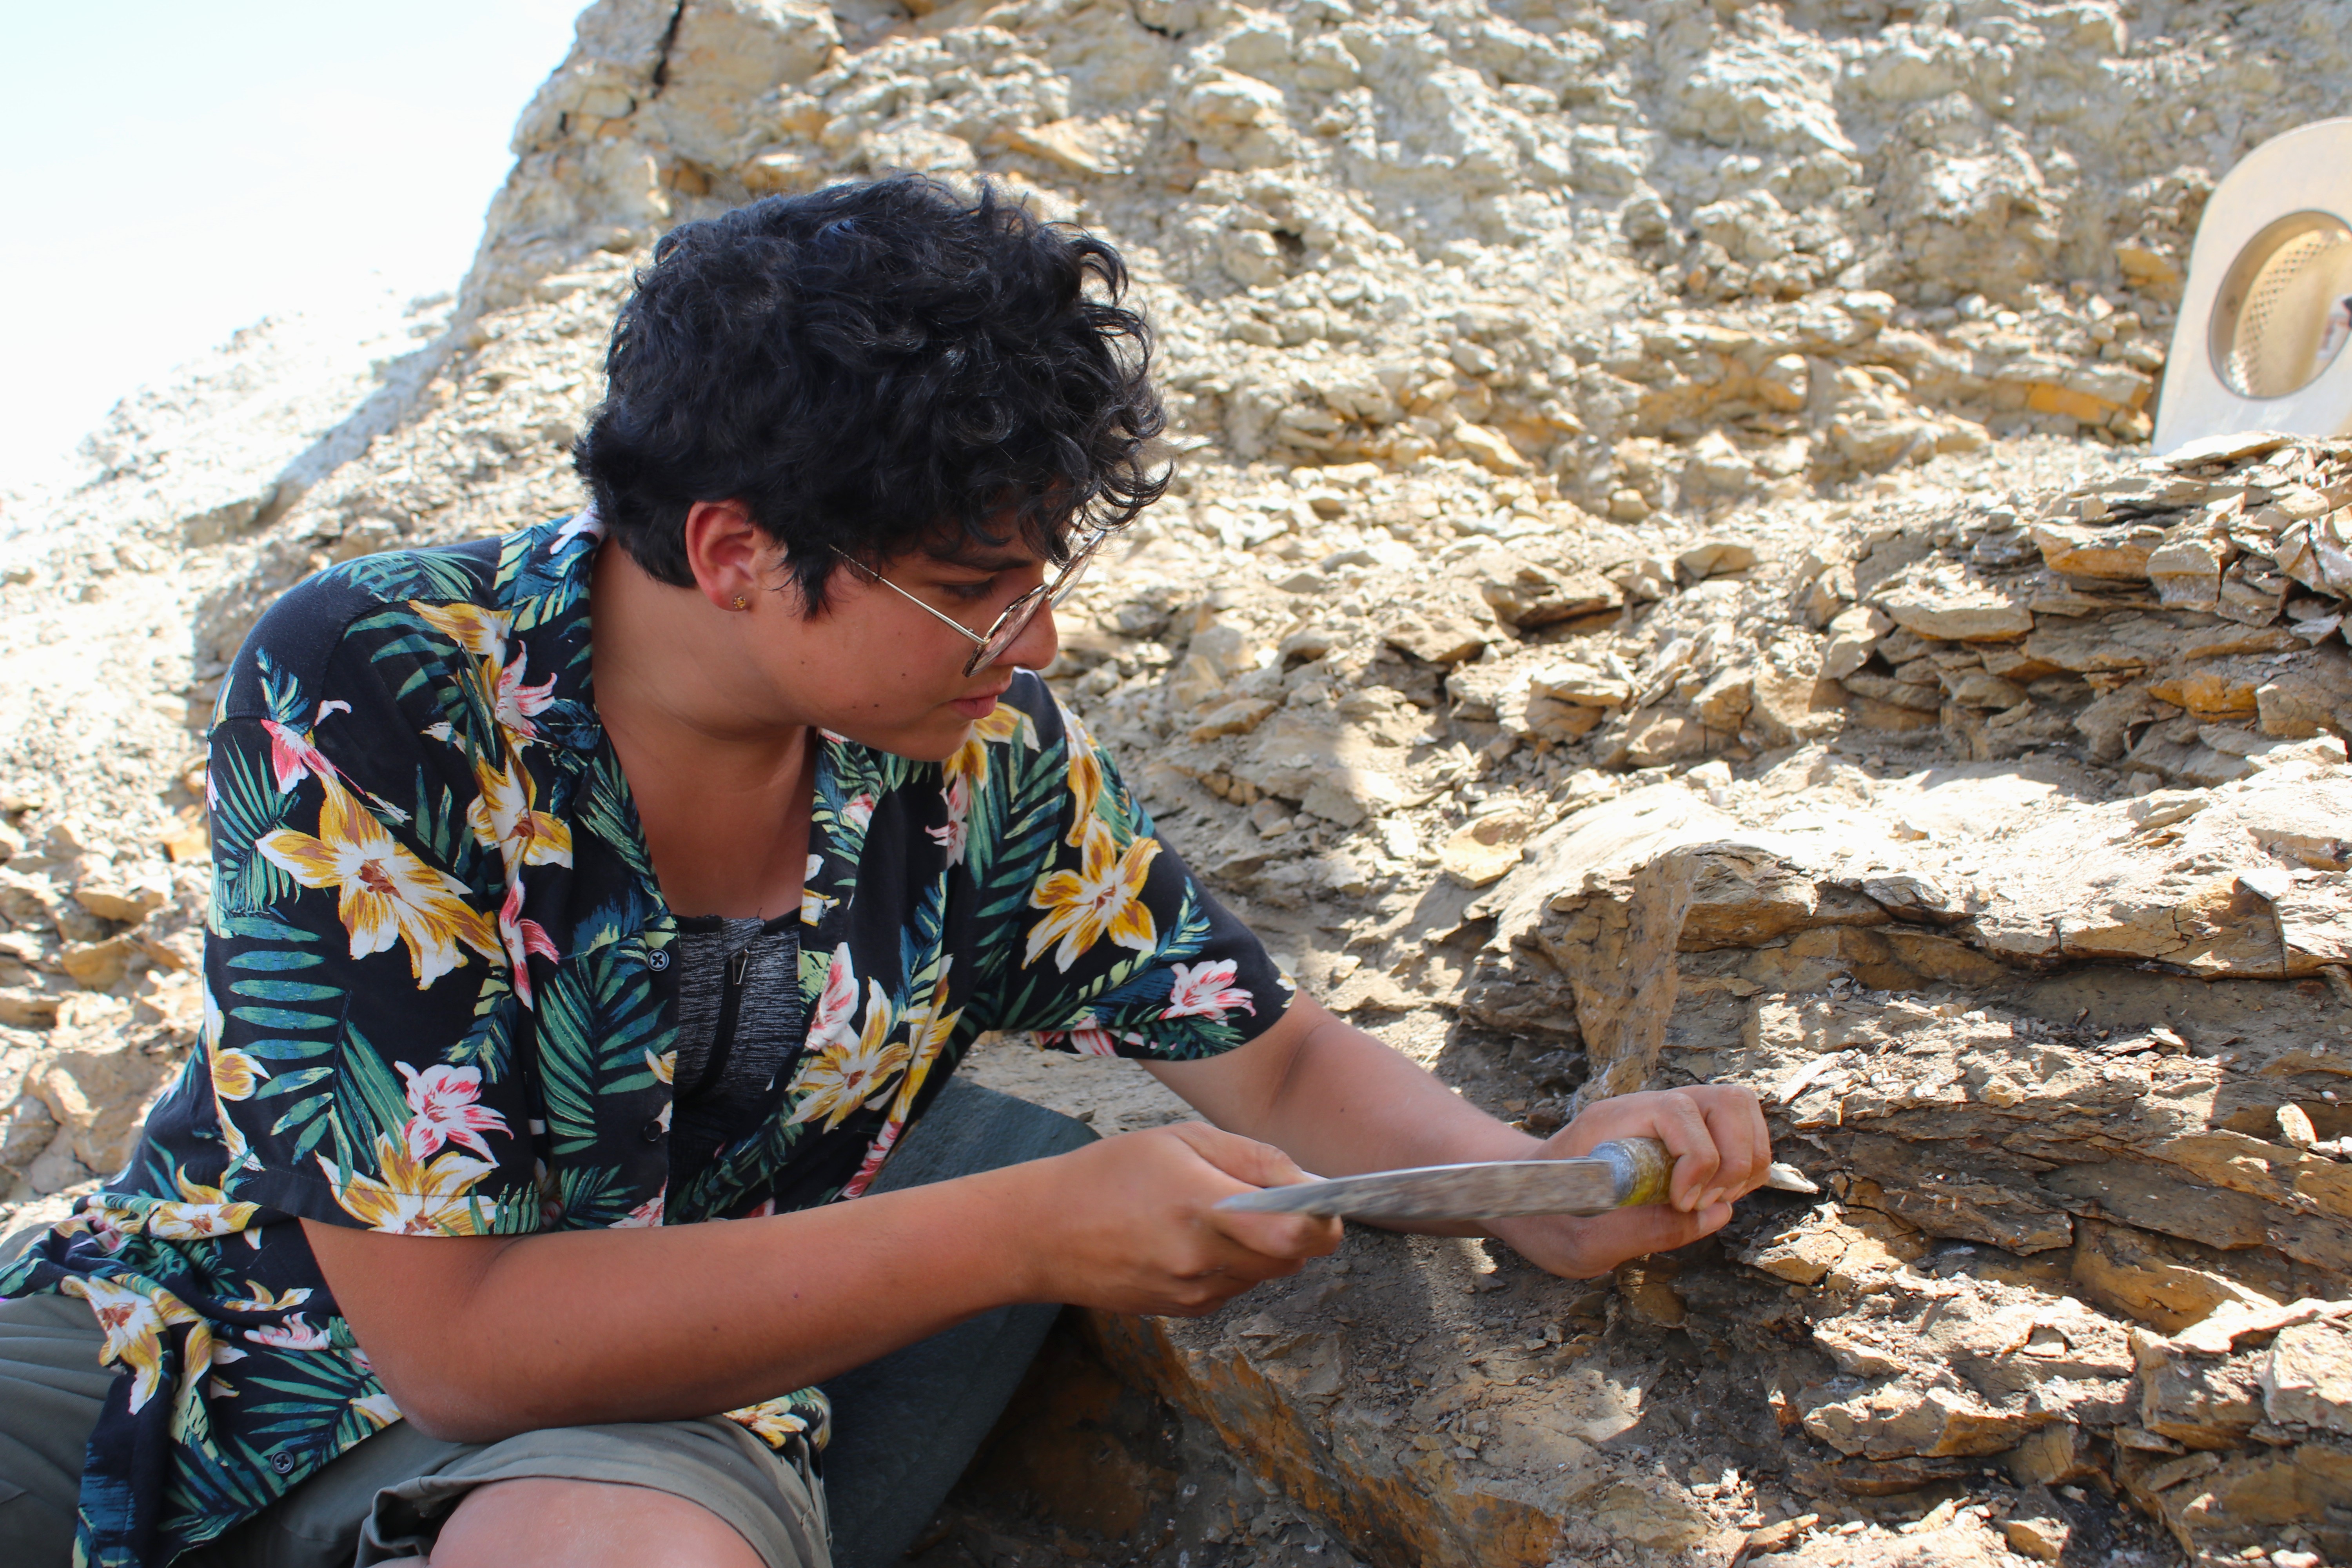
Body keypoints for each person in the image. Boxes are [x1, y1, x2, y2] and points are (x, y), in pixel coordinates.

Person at [0, 176, 1772, 1568]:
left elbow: (1276, 1056)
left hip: (648, 1401)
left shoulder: (985, 756)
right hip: (198, 1318)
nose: (1037, 634)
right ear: (740, 553)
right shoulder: (384, 680)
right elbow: (454, 1334)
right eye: (976, 583)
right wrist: (1020, 1231)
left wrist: (1540, 1189)